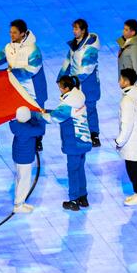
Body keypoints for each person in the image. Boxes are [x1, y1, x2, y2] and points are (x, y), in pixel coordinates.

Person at [0, 19, 48, 150]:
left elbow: (32, 69)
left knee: (37, 117)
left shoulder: (33, 50)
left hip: (34, 90)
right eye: (10, 32)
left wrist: (11, 73)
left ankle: (38, 140)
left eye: (15, 33)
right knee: (22, 115)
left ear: (23, 33)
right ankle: (24, 137)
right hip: (17, 89)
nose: (11, 35)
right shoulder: (9, 47)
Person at [42, 76, 92, 211]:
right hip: (84, 140)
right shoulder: (78, 97)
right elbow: (59, 112)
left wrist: (34, 114)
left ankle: (74, 200)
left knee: (73, 171)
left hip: (73, 143)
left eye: (60, 87)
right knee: (80, 169)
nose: (59, 89)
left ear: (66, 88)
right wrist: (46, 110)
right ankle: (83, 197)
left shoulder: (67, 106)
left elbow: (51, 118)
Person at [59, 18, 101, 146]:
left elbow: (87, 69)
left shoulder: (90, 48)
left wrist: (73, 81)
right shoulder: (74, 44)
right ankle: (80, 133)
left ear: (83, 30)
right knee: (75, 108)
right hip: (75, 82)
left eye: (76, 28)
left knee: (91, 108)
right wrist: (61, 77)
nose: (74, 31)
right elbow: (68, 61)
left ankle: (94, 135)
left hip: (88, 83)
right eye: (73, 28)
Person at [114, 68, 137, 205]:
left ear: (126, 82)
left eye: (121, 79)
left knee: (133, 167)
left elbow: (126, 124)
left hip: (132, 140)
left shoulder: (127, 101)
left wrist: (119, 141)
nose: (119, 81)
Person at [9, 107, 45, 213]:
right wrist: (41, 117)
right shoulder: (28, 130)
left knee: (19, 179)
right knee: (24, 181)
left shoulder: (15, 125)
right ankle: (19, 205)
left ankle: (20, 201)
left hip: (17, 156)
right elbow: (41, 130)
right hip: (25, 158)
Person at [117, 19, 137, 87]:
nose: (123, 31)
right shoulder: (125, 41)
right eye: (123, 29)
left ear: (133, 32)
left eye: (126, 30)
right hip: (125, 81)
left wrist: (132, 85)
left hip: (132, 83)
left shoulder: (135, 48)